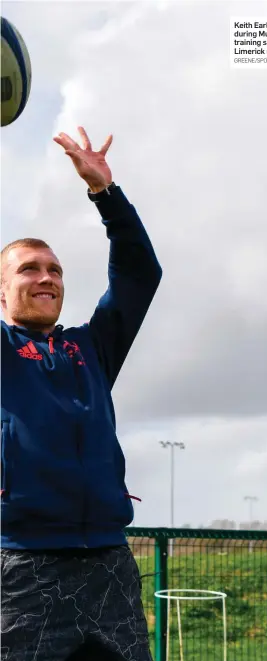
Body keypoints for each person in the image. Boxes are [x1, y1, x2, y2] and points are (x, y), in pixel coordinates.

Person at [1, 127, 162, 661]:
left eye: (55, 270)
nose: (47, 278)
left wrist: (105, 194)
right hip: (22, 567)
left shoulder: (91, 347)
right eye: (29, 269)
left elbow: (140, 273)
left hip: (109, 565)